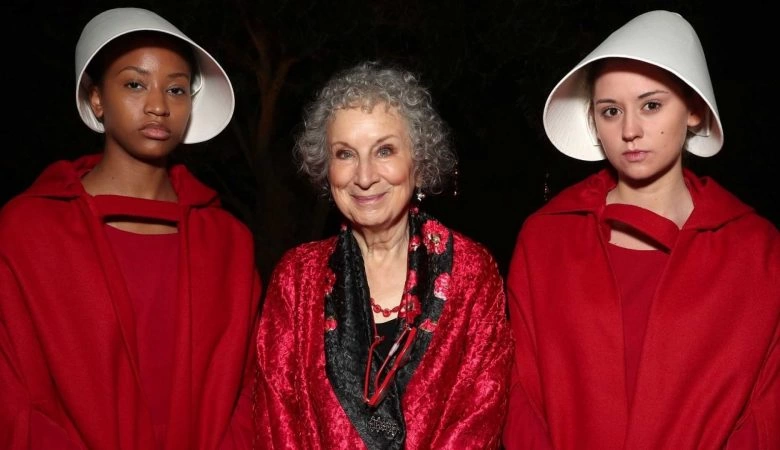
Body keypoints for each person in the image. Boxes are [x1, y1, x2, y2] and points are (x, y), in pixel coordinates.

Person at [502, 10, 779, 450]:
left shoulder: (757, 251)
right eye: (611, 111)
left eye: (651, 105)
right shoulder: (546, 239)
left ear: (693, 109)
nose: (630, 130)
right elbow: (522, 395)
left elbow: (765, 411)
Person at [0, 7, 261, 449]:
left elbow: (251, 388)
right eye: (135, 84)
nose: (159, 105)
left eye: (176, 89)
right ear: (97, 98)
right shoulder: (27, 230)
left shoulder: (228, 242)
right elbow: (12, 396)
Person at [254, 61, 512, 449]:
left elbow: (478, 418)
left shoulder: (471, 271)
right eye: (345, 154)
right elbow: (277, 423)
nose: (364, 176)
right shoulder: (296, 278)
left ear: (419, 162)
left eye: (385, 150)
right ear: (326, 169)